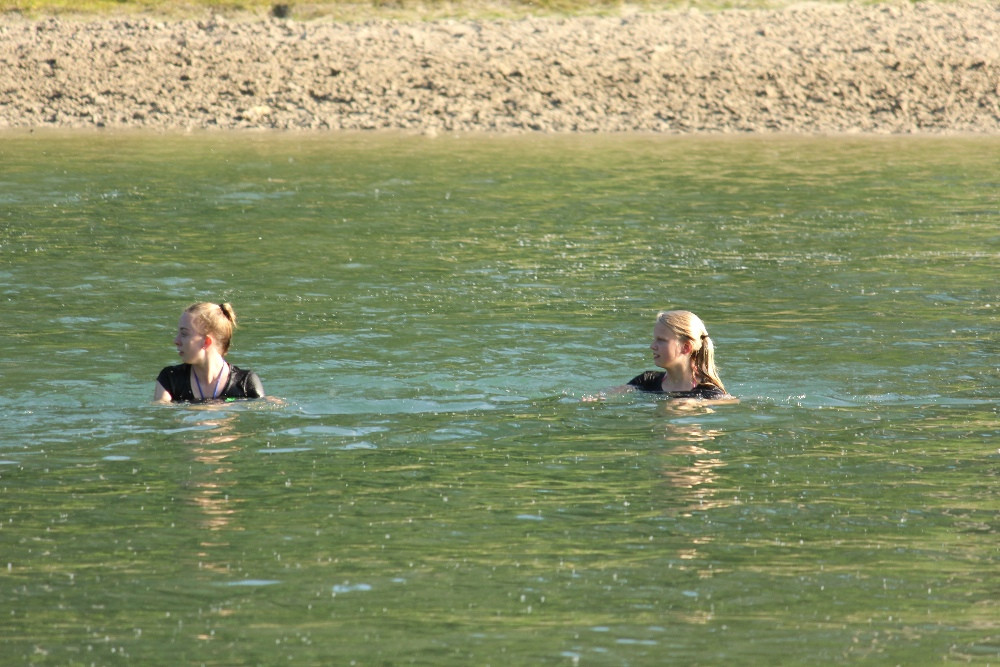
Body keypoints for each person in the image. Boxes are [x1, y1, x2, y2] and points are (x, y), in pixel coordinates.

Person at [590, 310, 730, 401]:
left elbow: (731, 403)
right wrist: (596, 398)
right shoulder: (647, 381)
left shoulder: (708, 392)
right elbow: (614, 392)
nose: (652, 346)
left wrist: (696, 404)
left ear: (686, 347)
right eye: (654, 339)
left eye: (661, 340)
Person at [153, 302, 264, 403]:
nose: (176, 341)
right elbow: (162, 411)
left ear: (206, 341)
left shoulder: (245, 383)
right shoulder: (170, 378)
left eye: (184, 334)